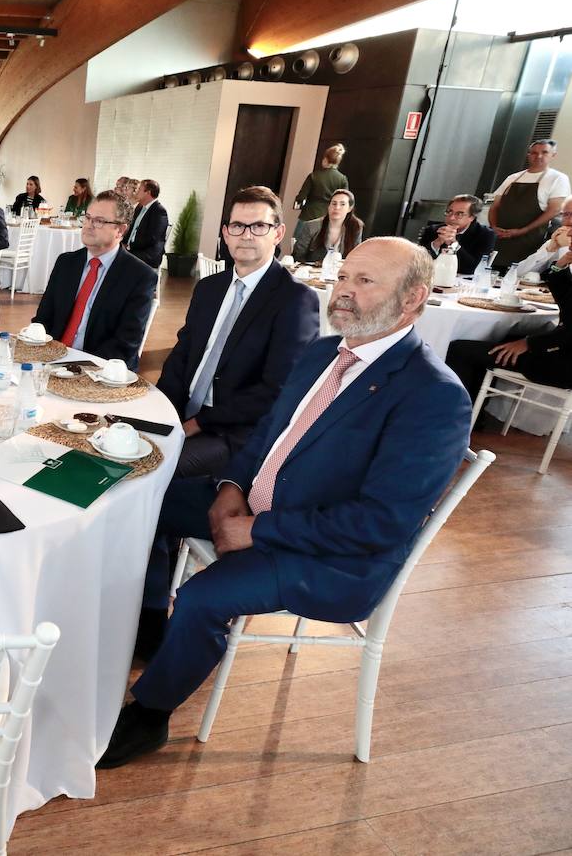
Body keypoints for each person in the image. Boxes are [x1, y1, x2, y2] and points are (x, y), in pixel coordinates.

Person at [100, 237, 470, 770]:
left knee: (204, 599)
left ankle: (150, 715)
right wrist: (230, 490)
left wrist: (258, 530)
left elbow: (381, 523)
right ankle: (151, 626)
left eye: (364, 282)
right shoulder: (324, 353)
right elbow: (266, 438)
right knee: (136, 498)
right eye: (343, 276)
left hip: (331, 559)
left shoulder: (433, 396)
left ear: (414, 298)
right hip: (259, 506)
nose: (342, 292)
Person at [139, 186, 320, 656]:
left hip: (239, 436)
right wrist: (158, 411)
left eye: (258, 226)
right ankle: (134, 584)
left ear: (278, 233)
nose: (246, 235)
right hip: (188, 419)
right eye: (237, 225)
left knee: (155, 475)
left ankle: (152, 612)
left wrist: (197, 423)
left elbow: (277, 394)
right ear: (224, 232)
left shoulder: (293, 300)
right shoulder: (210, 287)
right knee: (123, 451)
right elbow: (182, 359)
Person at [32, 190, 157, 369]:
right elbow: (43, 319)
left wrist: (74, 366)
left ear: (120, 230)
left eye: (99, 221)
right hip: (53, 361)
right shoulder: (66, 263)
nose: (88, 225)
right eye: (88, 217)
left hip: (100, 369)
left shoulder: (139, 276)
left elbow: (125, 343)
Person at [445, 252, 572, 402]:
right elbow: (565, 299)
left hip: (562, 364)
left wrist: (528, 343)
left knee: (458, 349)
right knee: (502, 339)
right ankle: (474, 413)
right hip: (560, 351)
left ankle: (453, 415)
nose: (569, 233)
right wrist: (560, 265)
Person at [489, 139, 570, 270]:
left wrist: (522, 231)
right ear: (528, 154)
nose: (538, 156)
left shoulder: (558, 178)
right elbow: (495, 206)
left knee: (516, 274)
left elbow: (554, 210)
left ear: (553, 155)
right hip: (500, 238)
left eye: (544, 152)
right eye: (534, 152)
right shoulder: (513, 177)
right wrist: (493, 227)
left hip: (529, 240)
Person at [415, 194, 494, 275]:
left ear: (472, 217)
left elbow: (474, 269)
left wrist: (454, 244)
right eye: (449, 212)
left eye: (459, 214)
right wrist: (436, 243)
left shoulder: (486, 235)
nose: (452, 217)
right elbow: (418, 263)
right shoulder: (432, 230)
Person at [297, 189, 366, 264]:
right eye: (334, 203)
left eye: (342, 204)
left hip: (340, 272)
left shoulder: (356, 227)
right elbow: (298, 255)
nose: (337, 207)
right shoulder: (312, 226)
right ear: (328, 206)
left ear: (350, 208)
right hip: (311, 271)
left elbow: (355, 257)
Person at [292, 143, 349, 225]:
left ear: (325, 159)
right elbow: (344, 200)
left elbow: (301, 197)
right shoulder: (342, 179)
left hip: (308, 215)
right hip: (327, 219)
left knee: (298, 238)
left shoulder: (313, 176)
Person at [511, 205, 572, 278]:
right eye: (566, 214)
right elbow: (517, 273)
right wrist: (550, 249)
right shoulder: (558, 242)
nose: (570, 220)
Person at [126, 179, 169, 269]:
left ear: (147, 192)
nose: (136, 192)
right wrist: (123, 242)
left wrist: (130, 247)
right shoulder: (139, 207)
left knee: (119, 259)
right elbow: (131, 230)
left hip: (148, 253)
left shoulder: (159, 211)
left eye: (139, 190)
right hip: (134, 249)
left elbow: (152, 238)